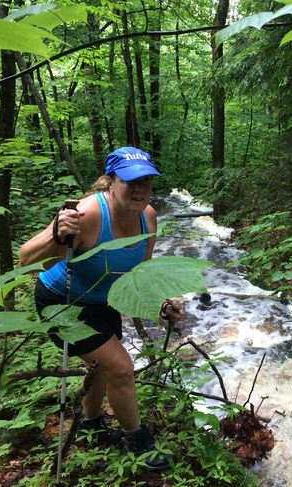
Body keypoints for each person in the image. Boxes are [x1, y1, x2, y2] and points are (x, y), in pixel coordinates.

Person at [19, 147, 183, 471]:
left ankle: (91, 424)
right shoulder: (87, 214)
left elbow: (140, 274)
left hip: (102, 302)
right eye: (130, 181)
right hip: (60, 301)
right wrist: (57, 234)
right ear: (110, 182)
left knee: (103, 372)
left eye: (146, 181)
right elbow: (26, 260)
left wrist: (160, 304)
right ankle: (140, 445)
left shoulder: (147, 216)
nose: (139, 189)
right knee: (120, 367)